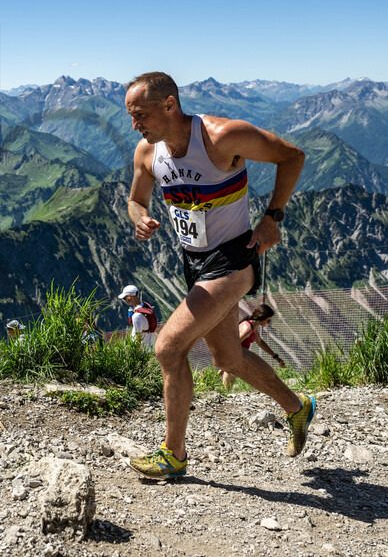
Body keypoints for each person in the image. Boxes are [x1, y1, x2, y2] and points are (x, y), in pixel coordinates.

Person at [123, 71, 315, 480]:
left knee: (168, 349)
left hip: (234, 259)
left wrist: (272, 217)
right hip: (194, 262)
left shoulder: (223, 136)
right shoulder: (147, 153)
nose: (134, 124)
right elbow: (135, 200)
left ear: (169, 105)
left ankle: (173, 454)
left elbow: (293, 156)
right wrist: (140, 218)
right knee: (228, 357)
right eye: (131, 116)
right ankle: (298, 409)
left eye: (140, 114)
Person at [220, 304, 286, 391]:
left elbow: (260, 342)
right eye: (268, 320)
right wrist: (224, 364)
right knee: (227, 386)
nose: (268, 323)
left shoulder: (253, 327)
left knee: (228, 387)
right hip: (233, 359)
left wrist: (276, 357)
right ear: (262, 317)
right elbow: (233, 344)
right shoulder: (248, 328)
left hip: (236, 358)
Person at [118, 284, 158, 351]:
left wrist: (136, 355)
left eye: (124, 298)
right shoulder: (146, 306)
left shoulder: (137, 316)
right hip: (150, 348)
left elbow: (138, 338)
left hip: (143, 352)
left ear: (129, 297)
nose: (124, 300)